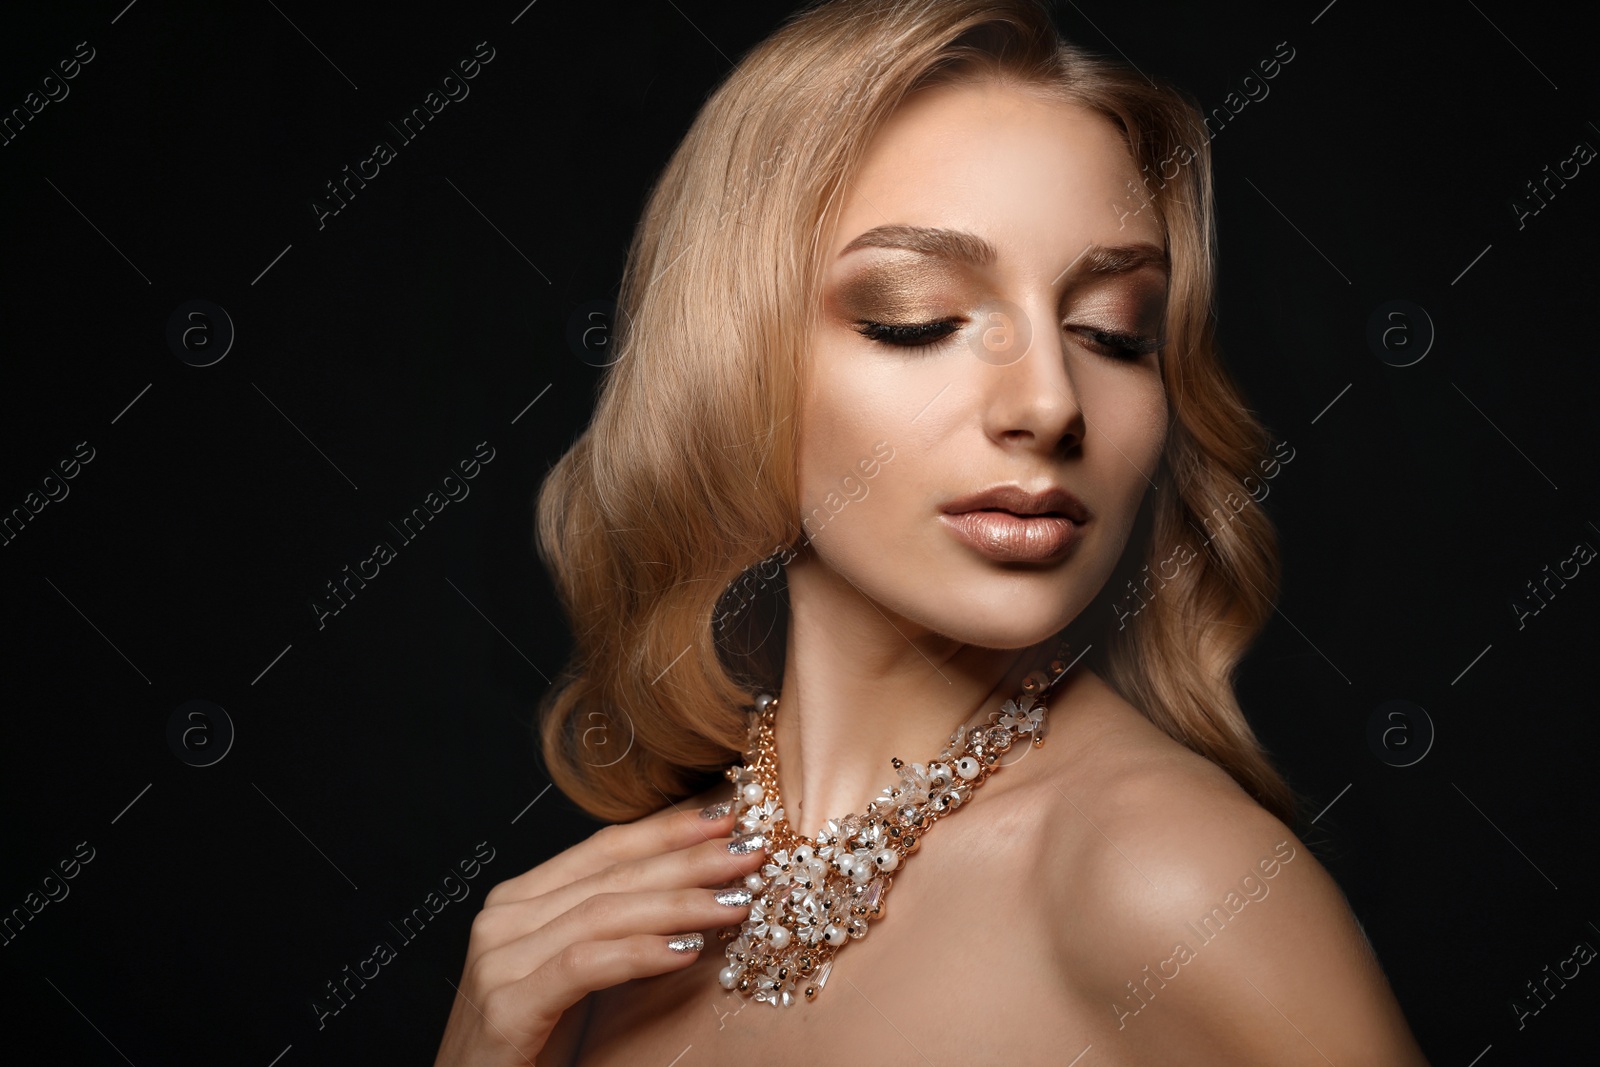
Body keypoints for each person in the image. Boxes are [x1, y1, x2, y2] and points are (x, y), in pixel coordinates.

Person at [434, 0, 1431, 1063]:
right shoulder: (601, 928)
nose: (1049, 402)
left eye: (1112, 331)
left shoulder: (1172, 880)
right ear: (731, 364)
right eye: (919, 316)